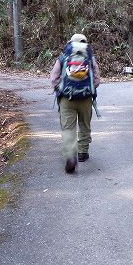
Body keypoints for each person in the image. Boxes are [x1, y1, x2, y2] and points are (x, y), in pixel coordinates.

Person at [50, 33, 101, 173]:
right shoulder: (90, 58)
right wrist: (87, 89)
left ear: (70, 43)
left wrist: (59, 90)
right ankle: (83, 153)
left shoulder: (64, 57)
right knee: (84, 125)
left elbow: (54, 78)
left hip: (67, 98)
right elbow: (96, 80)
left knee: (68, 128)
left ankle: (71, 156)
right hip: (85, 99)